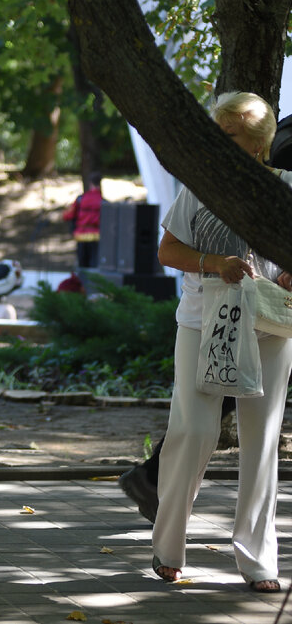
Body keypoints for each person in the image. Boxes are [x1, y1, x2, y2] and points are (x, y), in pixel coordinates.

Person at [150, 91, 292, 593]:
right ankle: (168, 546)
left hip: (270, 325)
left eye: (229, 134)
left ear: (257, 143)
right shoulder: (200, 188)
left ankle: (258, 560)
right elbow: (168, 250)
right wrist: (214, 263)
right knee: (192, 430)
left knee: (262, 441)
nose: (218, 141)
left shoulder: (286, 187)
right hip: (201, 322)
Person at [63, 173, 102, 269]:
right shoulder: (103, 201)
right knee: (94, 263)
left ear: (90, 184)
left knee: (82, 264)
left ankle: (82, 278)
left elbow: (68, 215)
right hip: (97, 236)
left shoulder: (81, 199)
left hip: (81, 235)